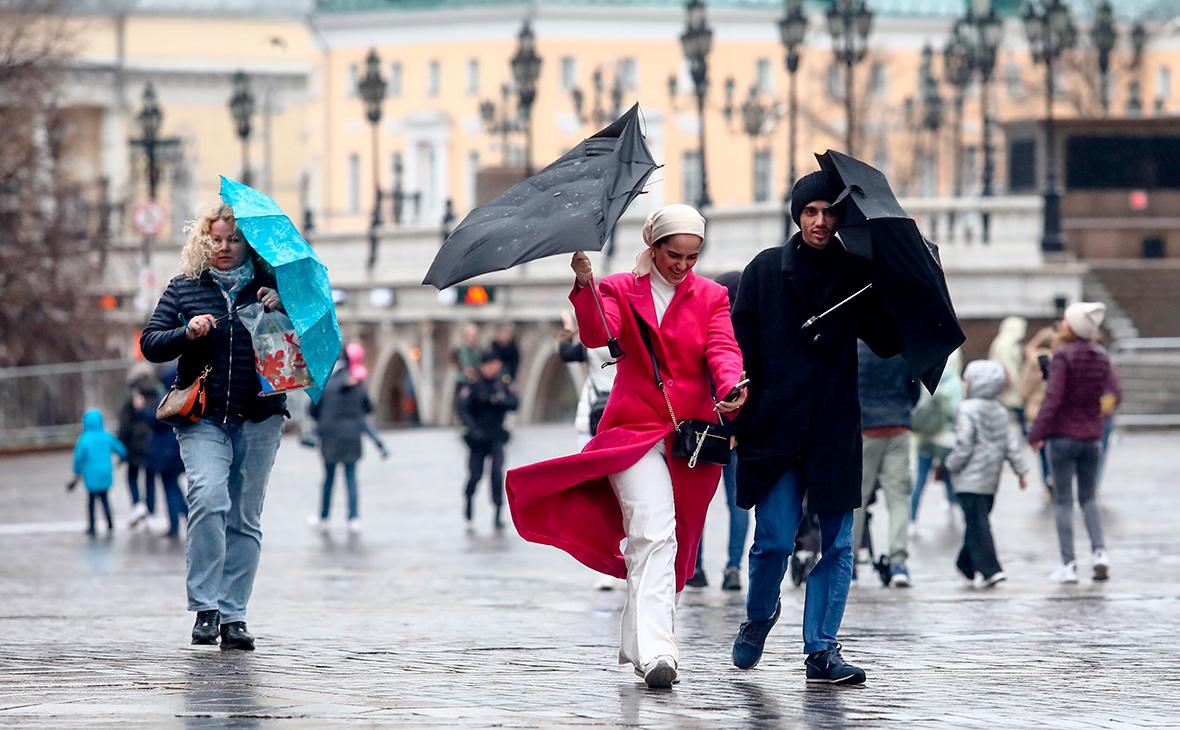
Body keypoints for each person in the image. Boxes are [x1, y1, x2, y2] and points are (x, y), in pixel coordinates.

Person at [506, 204, 745, 689]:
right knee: (655, 530)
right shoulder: (617, 286)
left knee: (659, 540)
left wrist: (731, 384)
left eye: (693, 257)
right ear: (654, 247)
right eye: (674, 254)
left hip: (689, 437)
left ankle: (639, 647)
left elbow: (722, 347)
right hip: (633, 431)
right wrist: (584, 283)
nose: (682, 266)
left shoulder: (712, 296)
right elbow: (599, 334)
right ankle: (661, 650)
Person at [729, 170, 902, 685]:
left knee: (838, 544)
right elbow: (739, 344)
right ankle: (760, 616)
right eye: (811, 212)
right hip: (775, 428)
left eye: (829, 212)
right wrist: (738, 401)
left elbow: (888, 342)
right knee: (775, 541)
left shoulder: (856, 274)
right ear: (797, 215)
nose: (820, 221)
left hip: (833, 428)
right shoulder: (763, 271)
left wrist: (887, 287)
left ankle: (821, 650)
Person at [140, 203, 286, 650]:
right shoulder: (185, 288)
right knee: (207, 495)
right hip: (202, 416)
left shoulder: (272, 287)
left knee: (244, 515)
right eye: (216, 240)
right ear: (204, 241)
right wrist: (188, 333)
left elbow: (305, 343)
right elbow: (150, 343)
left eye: (233, 240)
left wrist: (284, 309)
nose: (224, 248)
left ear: (248, 244)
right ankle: (206, 605)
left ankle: (234, 615)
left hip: (260, 414)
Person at [1028, 302, 1120, 584]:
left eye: (1067, 321)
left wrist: (1036, 433)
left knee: (1064, 501)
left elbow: (1054, 399)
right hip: (1092, 435)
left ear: (1073, 326)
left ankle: (1068, 565)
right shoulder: (1102, 356)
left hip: (1062, 437)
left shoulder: (1063, 355)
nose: (1062, 324)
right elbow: (1115, 390)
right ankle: (1100, 553)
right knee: (1090, 498)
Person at [686, 270, 749, 592]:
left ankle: (694, 567)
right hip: (738, 432)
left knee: (699, 502)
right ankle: (733, 568)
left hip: (704, 429)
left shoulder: (705, 328)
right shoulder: (750, 334)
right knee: (737, 504)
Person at [944, 360, 1030, 587]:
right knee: (977, 521)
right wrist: (1021, 470)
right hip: (991, 480)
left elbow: (964, 443)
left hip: (967, 480)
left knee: (977, 523)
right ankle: (966, 564)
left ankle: (991, 569)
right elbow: (1011, 444)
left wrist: (951, 464)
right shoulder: (1001, 411)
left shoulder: (967, 409)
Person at [852, 343, 920, 587]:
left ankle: (850, 564)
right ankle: (898, 562)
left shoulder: (856, 348)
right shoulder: (903, 348)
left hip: (866, 428)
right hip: (898, 425)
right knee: (898, 497)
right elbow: (915, 391)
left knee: (857, 497)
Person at [308, 347, 381, 536]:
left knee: (328, 479)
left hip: (329, 437)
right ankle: (353, 518)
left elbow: (312, 411)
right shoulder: (356, 383)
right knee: (351, 478)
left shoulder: (325, 384)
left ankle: (323, 518)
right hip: (352, 437)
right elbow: (369, 407)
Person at [458, 351, 519, 529]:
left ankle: (498, 512)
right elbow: (462, 409)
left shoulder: (502, 384)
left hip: (496, 436)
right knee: (475, 475)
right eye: (491, 365)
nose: (495, 369)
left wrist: (502, 401)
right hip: (477, 438)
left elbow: (514, 403)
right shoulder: (474, 385)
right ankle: (469, 499)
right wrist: (472, 428)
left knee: (496, 474)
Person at [910, 349, 963, 527]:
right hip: (947, 439)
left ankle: (912, 518)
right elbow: (957, 413)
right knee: (949, 475)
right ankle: (953, 505)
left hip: (926, 437)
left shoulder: (929, 377)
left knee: (921, 479)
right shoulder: (955, 383)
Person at [143, 370, 188, 537]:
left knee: (170, 488)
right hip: (175, 451)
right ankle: (185, 517)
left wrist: (141, 410)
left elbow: (158, 420)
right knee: (173, 486)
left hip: (165, 453)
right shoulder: (181, 396)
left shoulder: (168, 399)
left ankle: (176, 524)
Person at [70, 408, 127, 536]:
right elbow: (121, 449)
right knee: (105, 498)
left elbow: (78, 458)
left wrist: (77, 472)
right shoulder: (106, 436)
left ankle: (91, 526)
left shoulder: (84, 439)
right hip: (105, 473)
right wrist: (121, 459)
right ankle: (110, 523)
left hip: (90, 475)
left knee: (91, 501)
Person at [116, 370, 157, 528]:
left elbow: (125, 425)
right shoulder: (156, 395)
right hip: (152, 441)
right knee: (150, 476)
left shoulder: (133, 398)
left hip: (134, 442)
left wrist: (122, 445)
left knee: (132, 475)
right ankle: (150, 508)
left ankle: (137, 505)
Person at [988, 316, 1028, 431]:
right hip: (1008, 387)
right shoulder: (1005, 343)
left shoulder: (1010, 342)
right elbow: (1007, 365)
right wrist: (1017, 383)